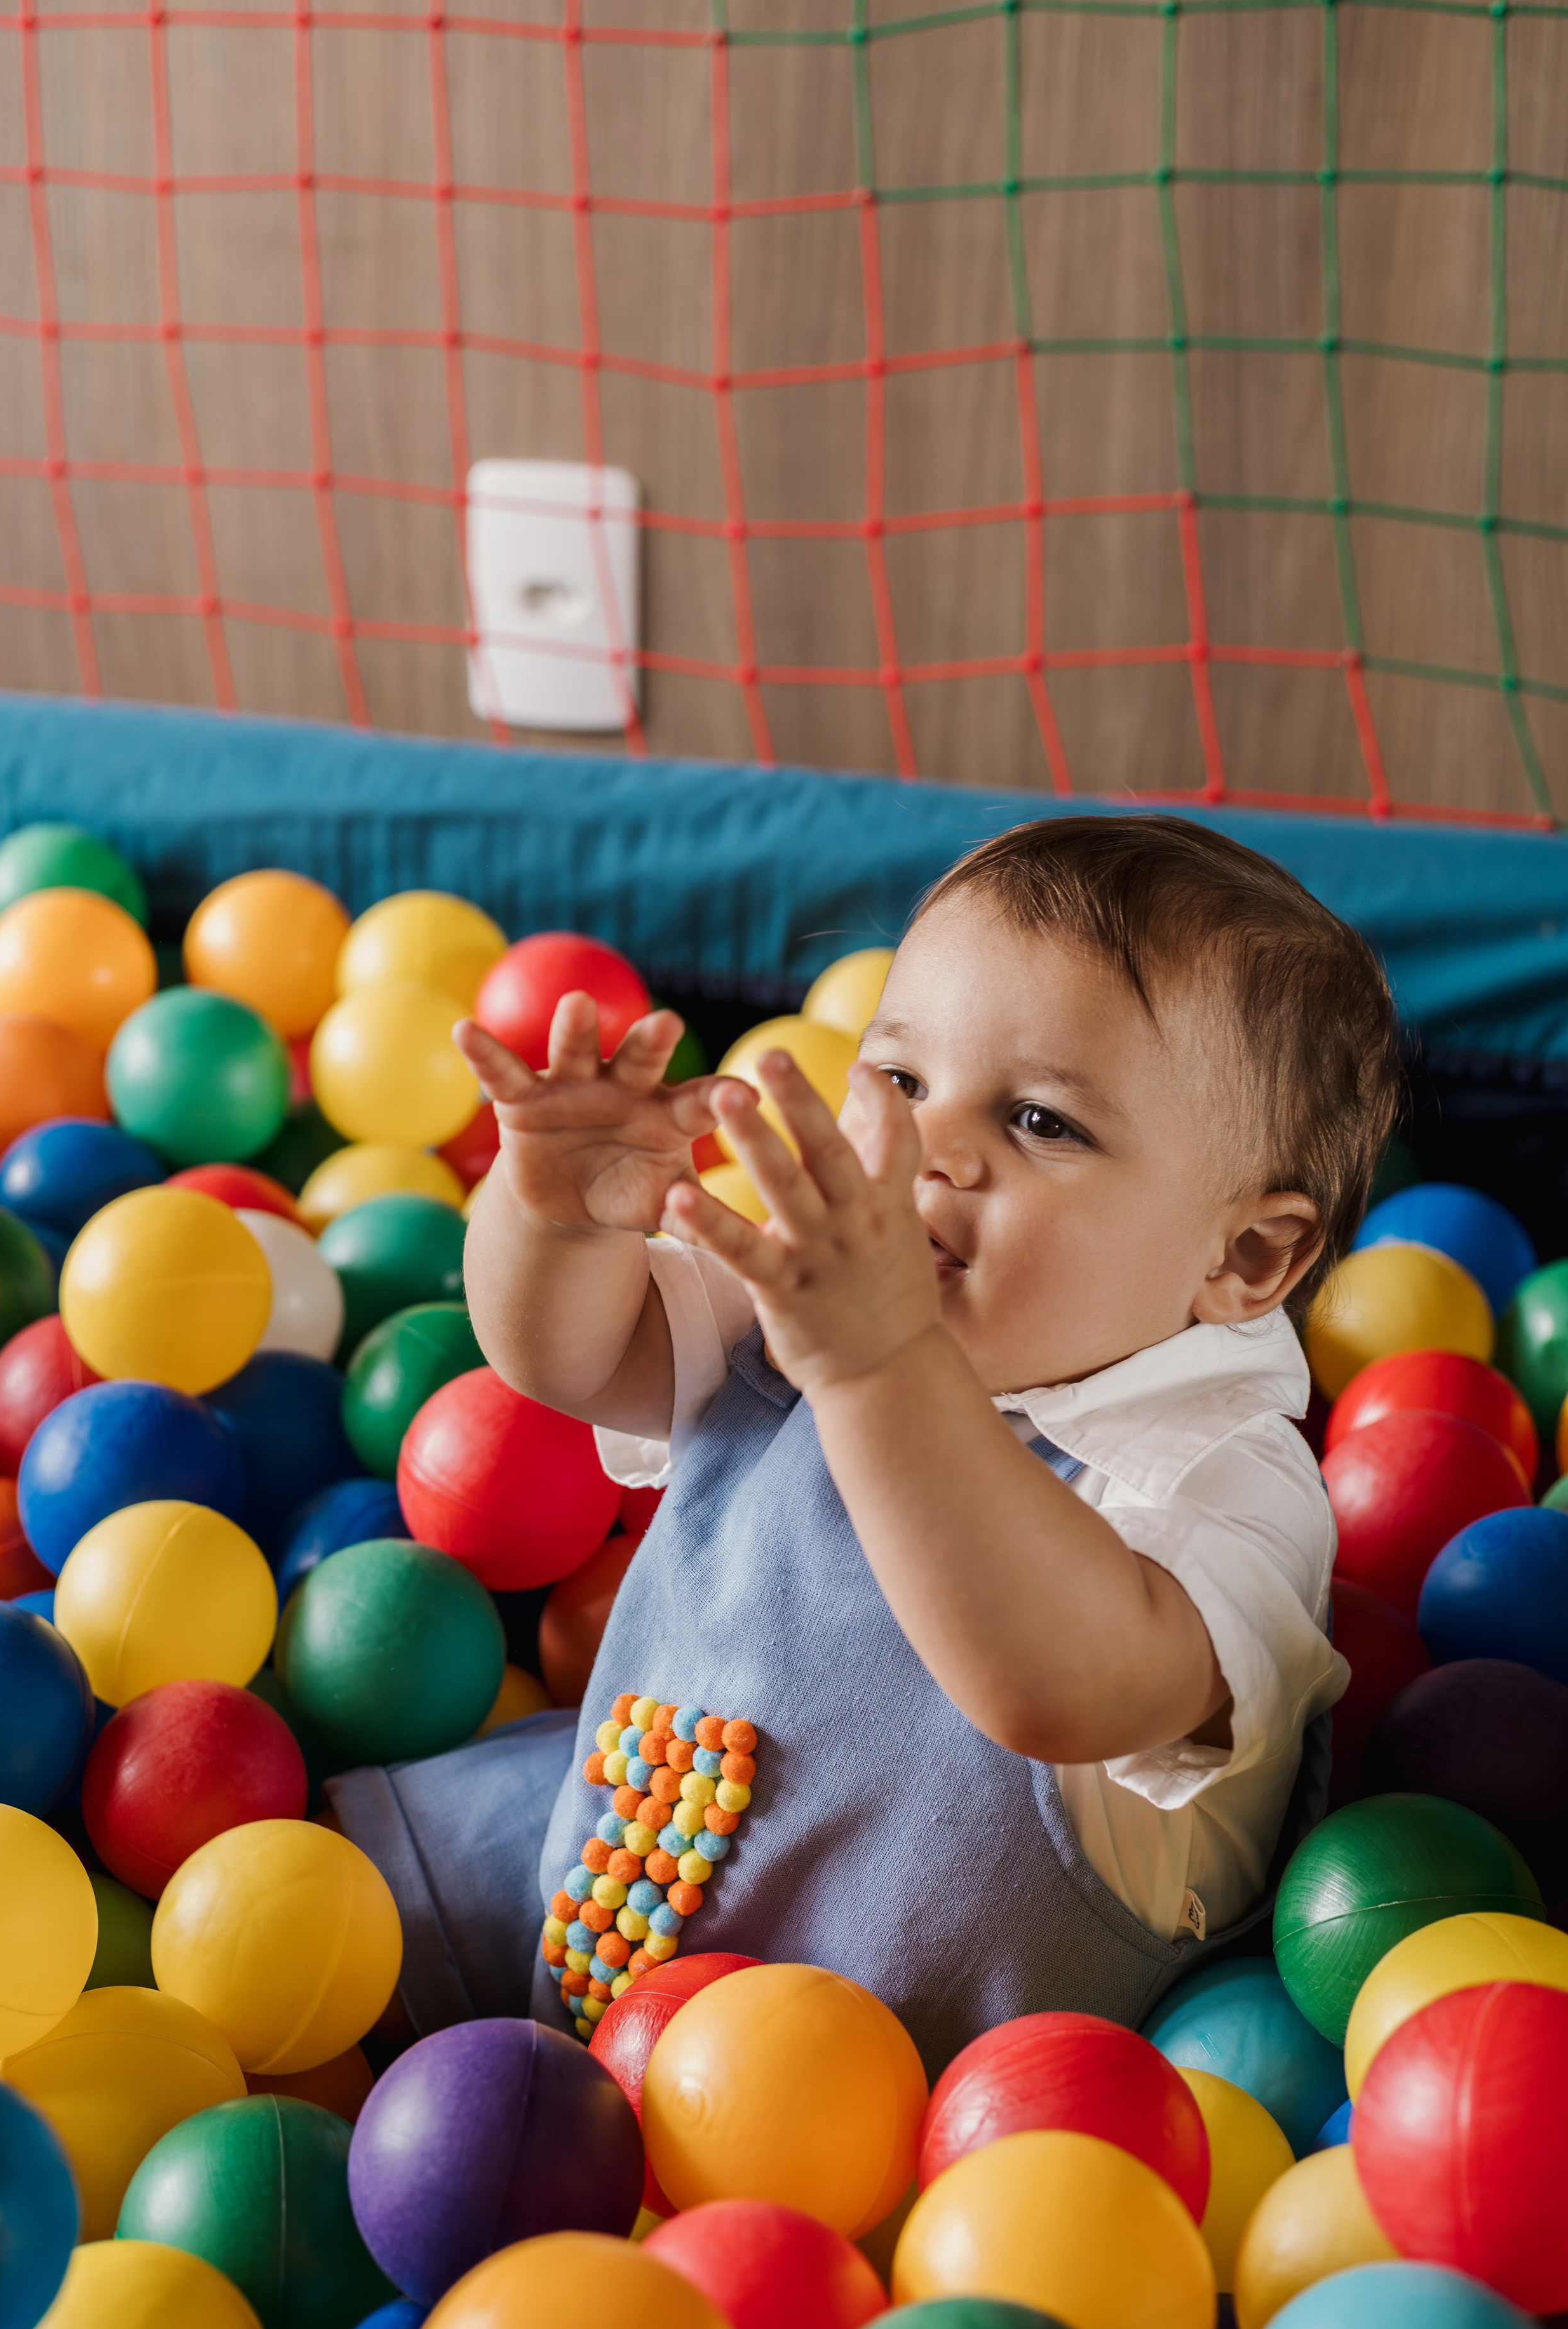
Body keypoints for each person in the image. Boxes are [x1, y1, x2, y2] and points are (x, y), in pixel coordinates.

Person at [330, 815, 1401, 2074]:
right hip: (591, 1903)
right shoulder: (809, 1306)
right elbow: (568, 1352)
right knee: (317, 1923)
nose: (931, 1150)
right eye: (897, 1080)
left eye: (1041, 1124)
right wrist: (554, 1214)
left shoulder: (1221, 1483)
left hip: (909, 2121)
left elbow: (1055, 1684)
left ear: (1243, 1259)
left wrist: (877, 1365)